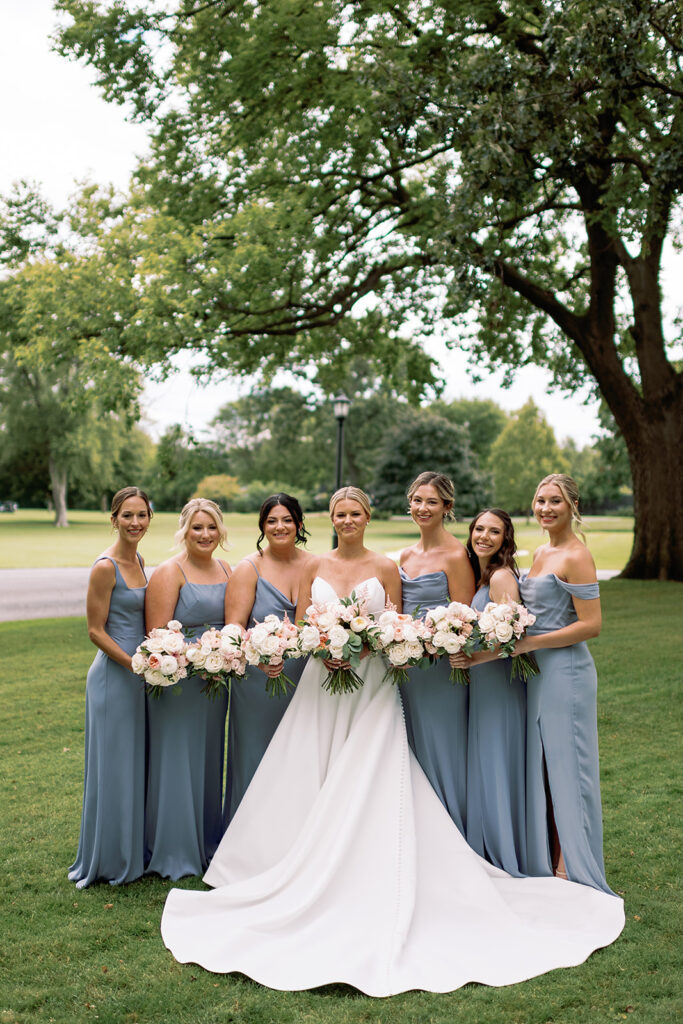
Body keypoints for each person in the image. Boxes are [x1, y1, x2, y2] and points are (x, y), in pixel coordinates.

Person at [160, 487, 623, 996]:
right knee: (309, 766)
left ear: (368, 516)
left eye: (356, 512)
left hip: (374, 683)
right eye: (340, 513)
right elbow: (299, 623)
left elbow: (394, 625)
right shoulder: (314, 566)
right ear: (330, 519)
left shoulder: (386, 566)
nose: (348, 519)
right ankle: (277, 858)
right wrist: (321, 647)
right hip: (321, 680)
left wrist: (361, 646)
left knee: (375, 771)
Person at [516, 474, 614, 892]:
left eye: (556, 501)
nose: (546, 508)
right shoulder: (540, 551)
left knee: (570, 767)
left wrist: (531, 643)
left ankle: (574, 863)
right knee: (543, 764)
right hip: (537, 673)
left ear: (573, 505)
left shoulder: (576, 555)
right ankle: (549, 850)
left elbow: (591, 625)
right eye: (540, 500)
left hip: (567, 674)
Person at [69, 487, 152, 888]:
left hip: (142, 676)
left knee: (133, 764)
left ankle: (131, 850)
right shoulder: (106, 566)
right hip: (113, 678)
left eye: (142, 515)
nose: (135, 523)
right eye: (128, 515)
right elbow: (94, 631)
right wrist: (133, 663)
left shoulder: (138, 559)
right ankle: (108, 858)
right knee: (113, 766)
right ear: (114, 518)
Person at [144, 498, 231, 879]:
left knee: (209, 761)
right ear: (184, 530)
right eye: (198, 527)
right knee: (178, 761)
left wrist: (223, 656)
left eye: (211, 527)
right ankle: (174, 849)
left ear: (221, 531)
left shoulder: (228, 569)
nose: (205, 534)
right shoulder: (169, 572)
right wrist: (195, 655)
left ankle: (205, 842)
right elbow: (157, 637)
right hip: (177, 685)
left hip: (215, 684)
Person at [222, 494, 314, 825]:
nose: (280, 526)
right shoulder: (249, 568)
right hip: (258, 679)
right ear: (262, 526)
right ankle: (248, 837)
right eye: (272, 521)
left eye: (287, 520)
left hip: (305, 678)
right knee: (257, 755)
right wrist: (257, 657)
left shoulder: (314, 565)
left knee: (301, 757)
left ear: (299, 524)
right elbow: (233, 626)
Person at [398, 472, 475, 832]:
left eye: (431, 501)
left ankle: (453, 831)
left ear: (447, 507)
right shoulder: (406, 555)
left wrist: (437, 642)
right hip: (406, 671)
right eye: (417, 500)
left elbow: (464, 620)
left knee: (443, 748)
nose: (422, 508)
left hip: (442, 671)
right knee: (409, 749)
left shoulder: (457, 555)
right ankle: (422, 834)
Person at [461, 508, 527, 876]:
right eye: (479, 529)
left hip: (499, 681)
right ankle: (488, 845)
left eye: (494, 531)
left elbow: (514, 642)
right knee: (487, 757)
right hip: (484, 682)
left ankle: (503, 851)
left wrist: (471, 660)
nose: (484, 536)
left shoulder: (501, 577)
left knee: (497, 757)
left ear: (506, 539)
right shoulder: (482, 575)